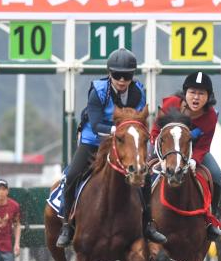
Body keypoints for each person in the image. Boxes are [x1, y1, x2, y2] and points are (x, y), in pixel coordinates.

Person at [56, 48, 166, 248]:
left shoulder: (139, 91)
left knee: (144, 173)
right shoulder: (98, 91)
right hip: (95, 140)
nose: (122, 80)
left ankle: (148, 224)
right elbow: (96, 124)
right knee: (72, 174)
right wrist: (118, 130)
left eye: (127, 76)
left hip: (125, 142)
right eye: (117, 75)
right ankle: (66, 225)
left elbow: (139, 120)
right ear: (109, 74)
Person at [150, 71, 221, 240]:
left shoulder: (211, 116)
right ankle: (141, 215)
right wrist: (161, 156)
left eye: (201, 93)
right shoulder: (171, 103)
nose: (196, 97)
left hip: (194, 152)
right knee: (143, 171)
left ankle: (212, 220)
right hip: (164, 149)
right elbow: (155, 132)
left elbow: (204, 145)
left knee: (216, 175)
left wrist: (193, 160)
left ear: (208, 97)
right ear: (185, 93)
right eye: (192, 92)